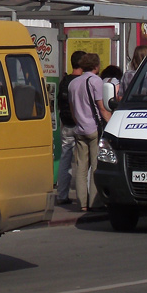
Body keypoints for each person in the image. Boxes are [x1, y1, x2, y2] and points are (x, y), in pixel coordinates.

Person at [68, 52, 110, 212]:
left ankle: (81, 203)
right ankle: (94, 202)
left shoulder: (73, 83)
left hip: (79, 128)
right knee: (96, 166)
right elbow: (101, 107)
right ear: (96, 66)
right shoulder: (95, 81)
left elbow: (72, 110)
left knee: (81, 168)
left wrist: (79, 121)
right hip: (94, 128)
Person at [55, 50, 85, 206]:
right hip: (80, 124)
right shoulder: (82, 81)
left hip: (66, 123)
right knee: (83, 162)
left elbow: (59, 102)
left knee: (65, 160)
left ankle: (62, 194)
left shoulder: (65, 81)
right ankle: (84, 198)